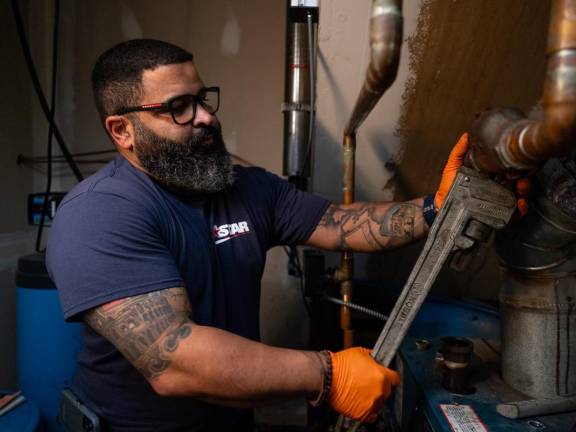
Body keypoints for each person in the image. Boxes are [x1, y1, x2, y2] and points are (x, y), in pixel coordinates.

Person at [46, 39, 468, 432]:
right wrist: (326, 374)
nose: (206, 117)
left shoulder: (246, 188)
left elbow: (344, 224)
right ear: (122, 131)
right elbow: (173, 360)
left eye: (203, 99)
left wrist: (441, 206)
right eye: (179, 107)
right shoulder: (99, 214)